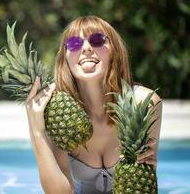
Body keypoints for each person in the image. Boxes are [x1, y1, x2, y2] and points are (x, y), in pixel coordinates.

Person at [25, 15, 162, 194]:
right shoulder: (55, 112)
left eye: (97, 40)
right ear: (65, 57)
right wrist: (37, 132)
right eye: (74, 43)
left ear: (115, 51)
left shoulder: (143, 103)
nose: (87, 48)